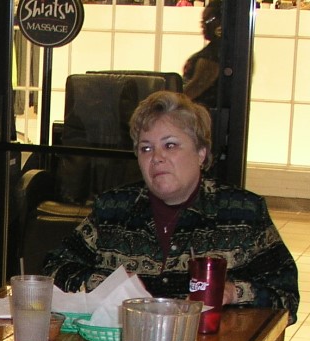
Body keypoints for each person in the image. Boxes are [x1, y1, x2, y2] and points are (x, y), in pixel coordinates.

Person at [40, 91, 299, 325]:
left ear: (201, 152)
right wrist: (108, 284)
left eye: (170, 145)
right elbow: (54, 268)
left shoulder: (243, 213)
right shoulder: (113, 210)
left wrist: (232, 292)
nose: (157, 157)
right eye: (146, 148)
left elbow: (286, 297)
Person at [183, 0, 222, 108]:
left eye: (208, 20)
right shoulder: (220, 49)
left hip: (200, 116)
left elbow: (196, 87)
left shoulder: (214, 55)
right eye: (203, 20)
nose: (203, 25)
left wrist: (170, 102)